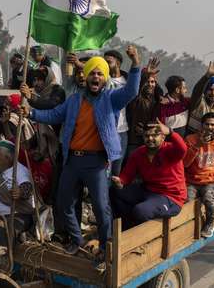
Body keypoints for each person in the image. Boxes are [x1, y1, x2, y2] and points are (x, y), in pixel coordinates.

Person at [22, 46, 141, 260]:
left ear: (104, 79)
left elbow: (131, 92)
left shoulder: (111, 99)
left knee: (100, 206)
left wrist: (135, 64)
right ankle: (77, 240)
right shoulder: (74, 100)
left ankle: (106, 246)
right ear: (85, 77)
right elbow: (53, 115)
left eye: (99, 74)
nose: (95, 77)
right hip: (73, 160)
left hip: (96, 163)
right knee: (64, 203)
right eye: (92, 73)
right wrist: (30, 112)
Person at [111, 120, 187, 230]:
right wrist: (121, 181)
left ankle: (142, 234)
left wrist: (170, 132)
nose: (150, 138)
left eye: (155, 135)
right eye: (147, 135)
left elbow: (183, 149)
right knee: (114, 192)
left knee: (141, 211)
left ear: (163, 137)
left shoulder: (171, 150)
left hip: (171, 197)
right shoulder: (139, 153)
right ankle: (127, 227)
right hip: (149, 191)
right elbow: (127, 175)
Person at [125, 58, 163, 158]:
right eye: (147, 82)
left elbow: (159, 92)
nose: (150, 84)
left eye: (153, 82)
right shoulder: (136, 99)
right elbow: (136, 88)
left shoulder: (156, 100)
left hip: (151, 142)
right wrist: (146, 74)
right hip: (135, 142)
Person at [105, 50, 130, 176]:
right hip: (106, 130)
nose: (106, 65)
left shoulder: (128, 81)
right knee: (104, 168)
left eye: (108, 62)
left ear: (118, 63)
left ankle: (113, 195)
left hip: (122, 131)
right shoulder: (102, 81)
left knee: (117, 168)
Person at [186, 61, 214, 135]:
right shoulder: (199, 103)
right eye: (210, 90)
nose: (213, 93)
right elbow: (197, 91)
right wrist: (207, 76)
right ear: (205, 91)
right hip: (193, 144)